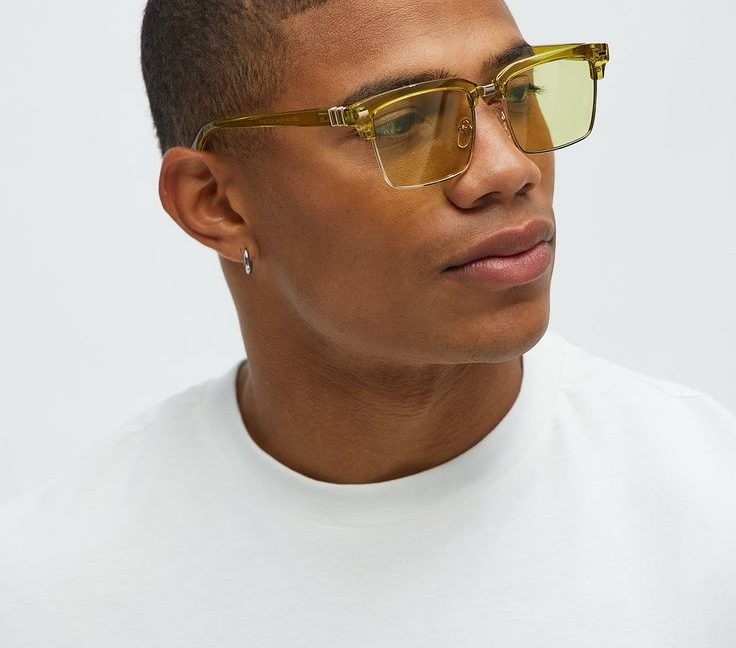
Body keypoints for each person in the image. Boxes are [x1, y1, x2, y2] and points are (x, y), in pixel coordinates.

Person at [1, 0, 734, 645]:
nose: (510, 169)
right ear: (215, 203)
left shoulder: (709, 511)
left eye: (518, 93)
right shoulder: (49, 592)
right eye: (405, 121)